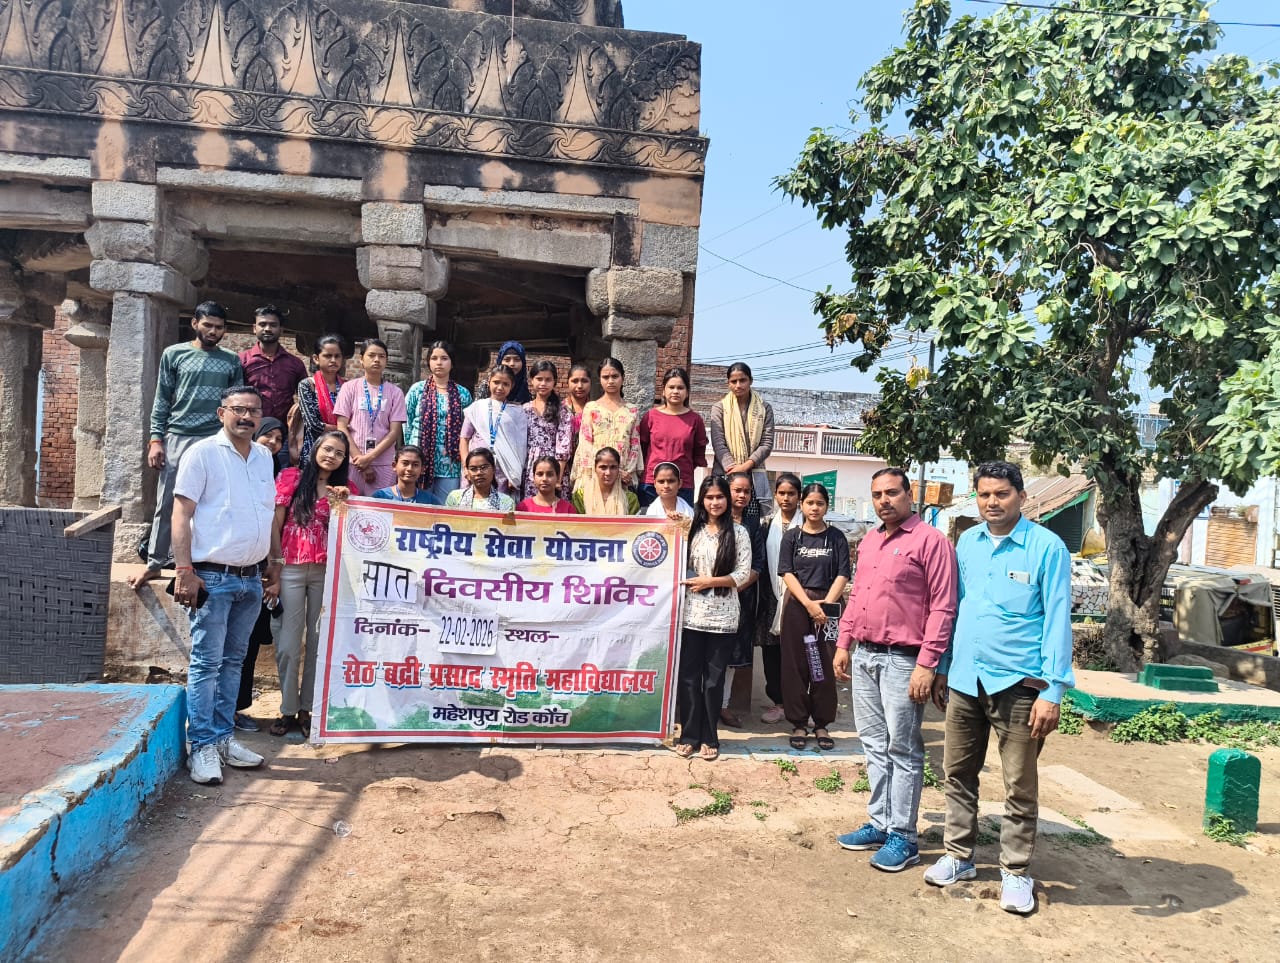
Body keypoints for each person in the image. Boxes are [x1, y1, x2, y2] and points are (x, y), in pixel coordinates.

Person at [923, 461, 1074, 915]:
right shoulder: (967, 543)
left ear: (1021, 497)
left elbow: (1057, 620)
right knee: (958, 773)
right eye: (985, 494)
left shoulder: (1047, 548)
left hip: (1021, 685)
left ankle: (1015, 871)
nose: (993, 502)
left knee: (1018, 784)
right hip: (967, 678)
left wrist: (1053, 691)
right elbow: (955, 608)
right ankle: (959, 856)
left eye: (1002, 494)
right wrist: (944, 666)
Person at [832, 468, 959, 873]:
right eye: (877, 494)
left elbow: (943, 606)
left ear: (909, 494)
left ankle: (904, 835)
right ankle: (880, 821)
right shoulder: (869, 541)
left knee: (902, 748)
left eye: (891, 492)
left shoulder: (931, 541)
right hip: (866, 655)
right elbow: (857, 596)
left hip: (904, 659)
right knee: (872, 742)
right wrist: (842, 643)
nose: (884, 500)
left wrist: (928, 663)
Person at [171, 385, 279, 785]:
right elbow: (182, 514)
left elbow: (268, 515)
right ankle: (200, 745)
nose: (246, 417)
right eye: (238, 410)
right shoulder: (202, 454)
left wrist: (275, 562)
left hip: (251, 578)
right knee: (207, 662)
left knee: (235, 663)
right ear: (222, 413)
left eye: (253, 410)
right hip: (211, 577)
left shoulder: (265, 456)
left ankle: (221, 738)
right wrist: (184, 570)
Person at [131, 301, 244, 589]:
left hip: (216, 440)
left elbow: (237, 405)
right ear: (195, 324)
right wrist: (156, 439)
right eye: (208, 325)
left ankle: (203, 563)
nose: (213, 331)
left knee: (214, 503)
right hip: (178, 436)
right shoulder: (174, 354)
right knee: (168, 501)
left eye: (219, 327)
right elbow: (162, 400)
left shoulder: (231, 360)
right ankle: (155, 563)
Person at [270, 429, 357, 739]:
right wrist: (275, 570)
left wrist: (341, 506)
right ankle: (286, 708)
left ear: (344, 461)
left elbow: (352, 536)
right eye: (327, 449)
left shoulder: (346, 489)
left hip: (326, 572)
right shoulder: (291, 478)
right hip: (290, 569)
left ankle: (309, 710)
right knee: (289, 646)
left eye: (338, 453)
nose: (331, 456)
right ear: (316, 448)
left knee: (319, 645)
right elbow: (275, 523)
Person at [676, 476, 753, 761]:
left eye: (720, 497)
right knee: (688, 678)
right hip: (690, 615)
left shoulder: (740, 533)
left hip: (723, 616)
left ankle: (710, 737)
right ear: (702, 500)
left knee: (713, 681)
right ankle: (689, 735)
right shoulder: (691, 530)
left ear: (727, 499)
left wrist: (709, 581)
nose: (715, 502)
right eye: (709, 497)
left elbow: (743, 574)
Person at [777, 482, 850, 752]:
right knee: (796, 665)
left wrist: (826, 605)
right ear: (802, 505)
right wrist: (809, 604)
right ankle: (797, 722)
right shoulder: (792, 537)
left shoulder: (837, 537)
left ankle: (821, 722)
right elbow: (786, 572)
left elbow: (843, 573)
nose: (815, 508)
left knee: (824, 664)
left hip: (828, 607)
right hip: (798, 605)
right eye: (810, 503)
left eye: (820, 503)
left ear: (826, 506)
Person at [234, 418, 288, 732]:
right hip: (229, 566)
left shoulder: (273, 477)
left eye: (279, 439)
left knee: (249, 644)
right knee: (222, 646)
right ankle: (216, 714)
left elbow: (272, 525)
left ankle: (235, 709)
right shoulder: (238, 470)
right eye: (268, 435)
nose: (273, 442)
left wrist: (274, 566)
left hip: (258, 570)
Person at [756, 473, 803, 725]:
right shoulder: (766, 525)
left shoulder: (809, 524)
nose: (786, 498)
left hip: (799, 598)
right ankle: (778, 703)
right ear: (775, 495)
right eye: (781, 493)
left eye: (791, 493)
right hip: (771, 599)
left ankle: (798, 702)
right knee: (772, 654)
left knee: (798, 653)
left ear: (799, 496)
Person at [721, 472, 765, 728]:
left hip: (740, 599)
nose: (742, 495)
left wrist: (734, 587)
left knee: (732, 657)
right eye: (737, 490)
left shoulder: (752, 525)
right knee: (710, 655)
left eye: (746, 491)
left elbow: (757, 565)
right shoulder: (714, 519)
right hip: (710, 599)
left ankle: (723, 706)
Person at [334, 338, 405, 492]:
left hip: (384, 463)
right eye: (371, 355)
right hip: (353, 462)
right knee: (350, 506)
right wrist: (360, 459)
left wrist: (369, 458)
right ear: (361, 359)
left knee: (381, 509)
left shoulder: (395, 392)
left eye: (381, 356)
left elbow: (394, 432)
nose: (376, 360)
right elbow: (341, 426)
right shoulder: (349, 388)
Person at [404, 340, 472, 502]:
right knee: (418, 507)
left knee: (446, 507)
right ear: (428, 362)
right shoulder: (417, 390)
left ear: (452, 363)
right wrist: (413, 451)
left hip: (450, 465)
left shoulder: (463, 394)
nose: (439, 363)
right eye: (434, 358)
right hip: (420, 461)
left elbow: (467, 430)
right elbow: (406, 423)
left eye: (444, 358)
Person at [638, 366, 706, 508]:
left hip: (683, 484)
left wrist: (679, 472)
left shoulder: (695, 420)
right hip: (651, 484)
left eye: (680, 388)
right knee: (649, 527)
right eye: (671, 387)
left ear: (687, 392)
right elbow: (642, 448)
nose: (675, 391)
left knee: (680, 526)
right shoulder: (650, 416)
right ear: (663, 391)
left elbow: (698, 454)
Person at [708, 362, 775, 504]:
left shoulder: (764, 408)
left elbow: (766, 444)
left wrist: (745, 467)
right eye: (734, 381)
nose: (738, 385)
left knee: (752, 521)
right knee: (722, 518)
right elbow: (718, 443)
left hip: (754, 474)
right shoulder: (719, 408)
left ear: (751, 381)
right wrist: (733, 468)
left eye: (743, 380)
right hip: (724, 473)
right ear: (728, 383)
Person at [570, 357, 640, 490]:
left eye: (615, 376)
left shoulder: (632, 410)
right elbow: (586, 443)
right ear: (600, 379)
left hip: (623, 476)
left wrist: (625, 472)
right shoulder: (591, 408)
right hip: (594, 474)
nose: (611, 381)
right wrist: (600, 469)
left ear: (623, 378)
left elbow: (635, 445)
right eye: (606, 377)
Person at [460, 364, 528, 496]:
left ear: (511, 386)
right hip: (475, 466)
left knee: (499, 506)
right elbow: (464, 438)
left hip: (503, 469)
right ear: (489, 381)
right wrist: (466, 466)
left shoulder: (517, 412)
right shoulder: (477, 407)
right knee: (472, 503)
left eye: (505, 384)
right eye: (496, 382)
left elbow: (520, 446)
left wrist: (514, 473)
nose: (500, 387)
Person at [238, 305, 307, 423]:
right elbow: (235, 396)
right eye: (262, 324)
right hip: (251, 427)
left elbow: (306, 398)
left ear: (281, 329)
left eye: (273, 325)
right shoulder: (242, 360)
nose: (267, 329)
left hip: (285, 429)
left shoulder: (295, 363)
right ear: (254, 328)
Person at [523, 360, 575, 500]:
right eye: (539, 379)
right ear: (531, 380)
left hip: (554, 466)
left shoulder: (562, 411)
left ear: (554, 382)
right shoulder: (524, 409)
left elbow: (564, 447)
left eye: (548, 380)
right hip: (531, 467)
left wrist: (557, 477)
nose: (543, 384)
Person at [295, 334, 346, 467]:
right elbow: (313, 425)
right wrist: (343, 430)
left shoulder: (347, 387)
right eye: (328, 356)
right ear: (316, 359)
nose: (333, 360)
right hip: (315, 448)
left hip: (341, 451)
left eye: (337, 356)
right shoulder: (307, 385)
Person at [572, 446, 640, 516]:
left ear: (619, 469)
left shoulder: (630, 500)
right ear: (595, 468)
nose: (608, 473)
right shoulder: (580, 497)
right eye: (603, 467)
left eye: (613, 467)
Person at [446, 447, 517, 512]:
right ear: (467, 472)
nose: (479, 473)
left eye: (484, 467)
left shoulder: (506, 502)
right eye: (473, 469)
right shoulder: (455, 498)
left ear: (494, 469)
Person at [373, 446, 440, 504]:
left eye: (415, 465)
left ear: (422, 469)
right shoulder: (380, 497)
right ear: (394, 466)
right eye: (405, 463)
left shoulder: (430, 501)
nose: (410, 469)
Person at [496, 340, 533, 404]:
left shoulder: (525, 393)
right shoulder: (488, 388)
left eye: (517, 360)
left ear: (523, 363)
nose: (512, 364)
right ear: (500, 362)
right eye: (507, 360)